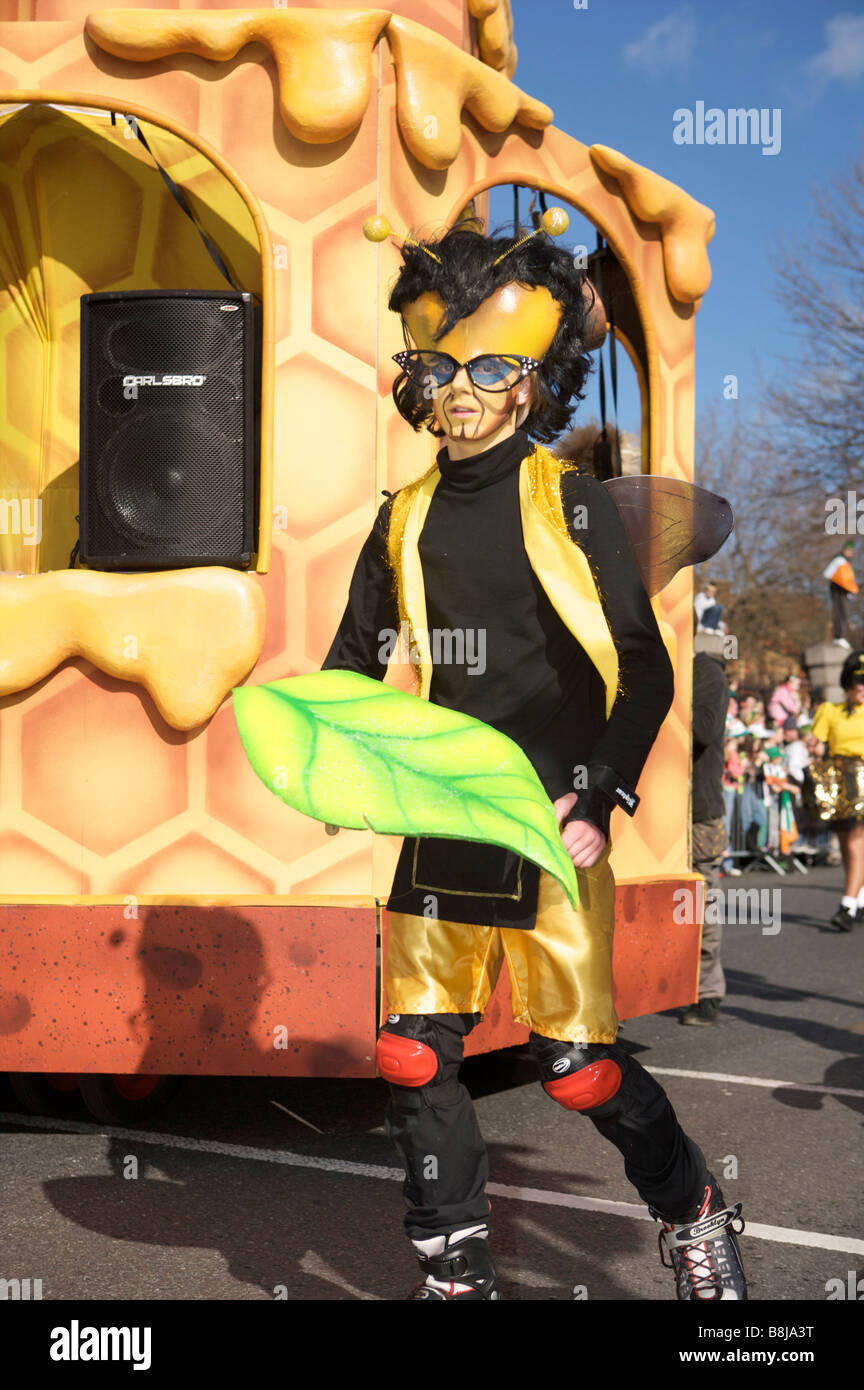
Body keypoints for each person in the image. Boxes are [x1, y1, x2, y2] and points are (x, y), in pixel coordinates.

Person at [322, 217, 746, 1300]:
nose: (465, 390)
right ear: (418, 369)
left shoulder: (570, 504)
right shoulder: (401, 519)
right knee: (414, 1054)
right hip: (445, 814)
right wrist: (318, 753)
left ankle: (695, 1209)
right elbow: (352, 668)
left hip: (551, 816)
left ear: (535, 378)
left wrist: (599, 789)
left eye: (495, 365)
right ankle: (455, 1270)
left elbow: (645, 669)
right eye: (444, 365)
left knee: (579, 1070)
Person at [683, 644, 730, 1025]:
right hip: (653, 811)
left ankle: (708, 990)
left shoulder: (706, 671)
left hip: (698, 812)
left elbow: (704, 728)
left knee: (701, 904)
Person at [810, 650, 864, 929]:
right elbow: (816, 742)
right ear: (848, 684)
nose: (862, 688)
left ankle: (847, 906)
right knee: (847, 843)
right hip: (839, 779)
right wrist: (813, 746)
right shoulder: (830, 711)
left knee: (856, 839)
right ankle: (860, 897)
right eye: (858, 682)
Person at [823, 541, 858, 647]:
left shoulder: (847, 564)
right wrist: (840, 583)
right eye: (848, 550)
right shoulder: (838, 560)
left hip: (844, 592)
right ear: (844, 550)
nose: (850, 553)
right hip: (837, 590)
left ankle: (841, 636)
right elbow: (828, 574)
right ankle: (838, 637)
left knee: (844, 613)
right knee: (839, 612)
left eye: (851, 551)